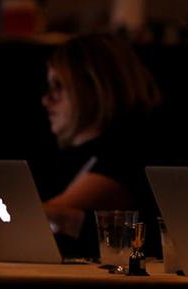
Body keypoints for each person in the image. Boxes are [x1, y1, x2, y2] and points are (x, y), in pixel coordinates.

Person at [37, 33, 162, 258]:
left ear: (95, 88)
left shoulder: (126, 156)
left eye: (59, 87)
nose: (46, 100)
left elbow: (33, 220)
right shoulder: (66, 158)